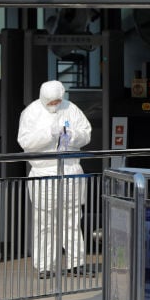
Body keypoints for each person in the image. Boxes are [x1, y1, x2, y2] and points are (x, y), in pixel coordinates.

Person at [17, 80, 93, 279]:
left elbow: (86, 134)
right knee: (44, 221)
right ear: (43, 99)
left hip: (70, 171)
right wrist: (48, 134)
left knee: (73, 219)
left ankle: (76, 263)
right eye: (50, 102)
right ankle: (44, 265)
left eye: (57, 101)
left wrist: (70, 135)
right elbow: (25, 142)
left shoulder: (72, 108)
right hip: (44, 173)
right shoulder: (31, 112)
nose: (54, 105)